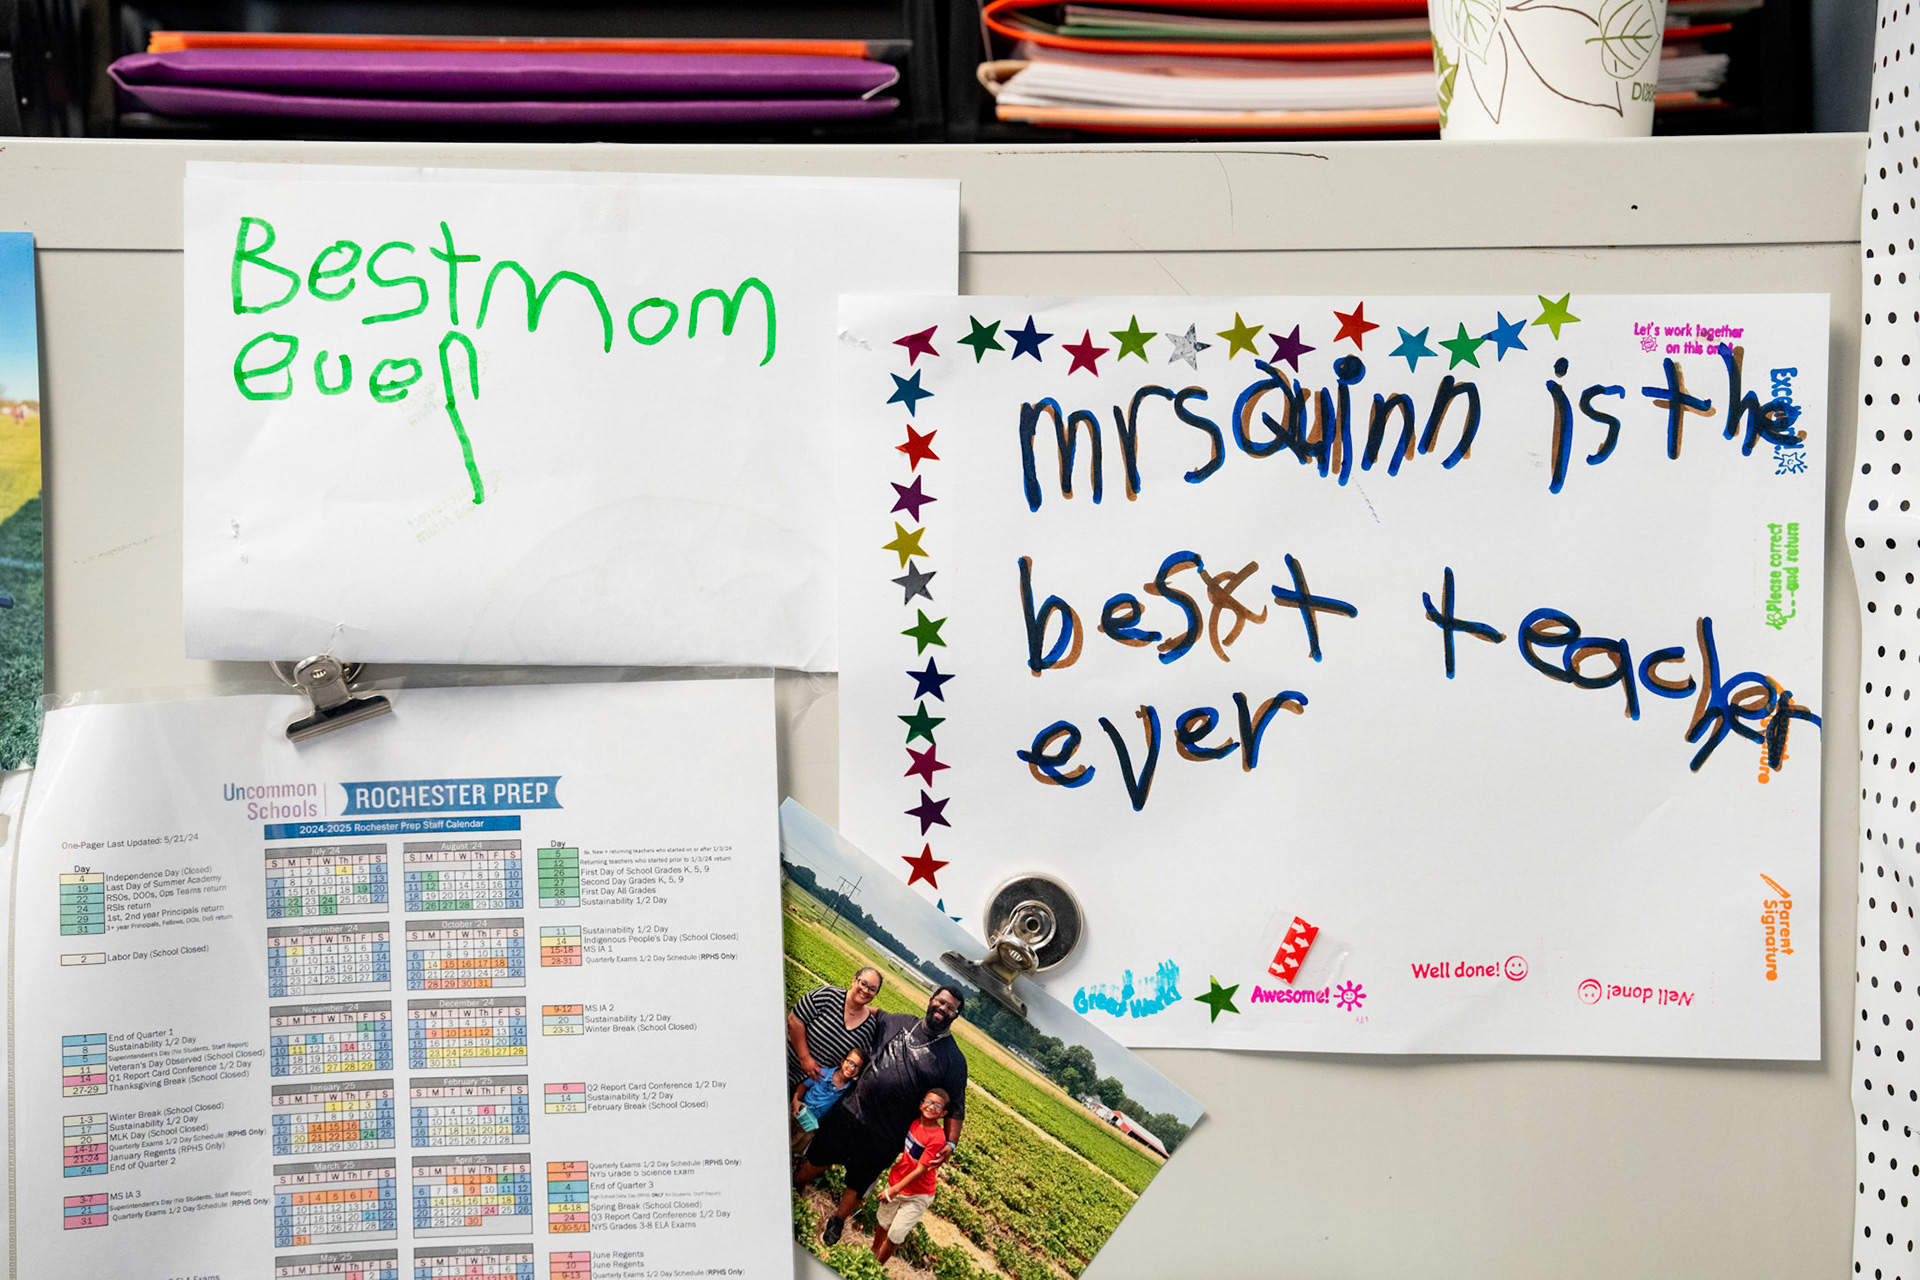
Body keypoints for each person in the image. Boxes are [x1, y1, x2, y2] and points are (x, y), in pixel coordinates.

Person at [795, 984, 969, 1246]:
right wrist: (850, 998)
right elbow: (869, 1012)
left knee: (859, 1180)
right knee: (820, 1155)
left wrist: (951, 1142)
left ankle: (838, 1220)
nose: (943, 1009)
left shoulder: (953, 1060)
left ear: (956, 1015)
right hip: (852, 1111)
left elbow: (956, 1105)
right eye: (940, 1002)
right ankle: (794, 1187)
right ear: (931, 1000)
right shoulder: (899, 1021)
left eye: (950, 1008)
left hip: (888, 1134)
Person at [870, 1088, 949, 1264]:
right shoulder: (914, 1122)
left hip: (918, 1194)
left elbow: (920, 1171)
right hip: (897, 1180)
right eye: (928, 1102)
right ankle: (873, 1251)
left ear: (943, 1114)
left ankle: (877, 1266)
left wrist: (893, 1191)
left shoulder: (937, 1138)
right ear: (921, 1104)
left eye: (937, 1106)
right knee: (883, 1222)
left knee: (895, 1234)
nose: (931, 1107)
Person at [786, 967, 883, 1098]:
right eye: (863, 983)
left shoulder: (869, 1027)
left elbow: (855, 1062)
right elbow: (795, 1020)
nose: (865, 990)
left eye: (872, 989)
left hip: (812, 1092)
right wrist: (805, 1058)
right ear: (854, 980)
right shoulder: (828, 995)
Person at [790, 1048, 863, 1155]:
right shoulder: (823, 1073)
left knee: (793, 1149)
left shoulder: (850, 1091)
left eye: (857, 1067)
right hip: (797, 1111)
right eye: (850, 1062)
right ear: (843, 1061)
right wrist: (796, 1100)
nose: (852, 1068)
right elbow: (803, 1085)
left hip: (810, 1126)